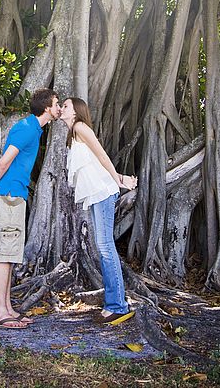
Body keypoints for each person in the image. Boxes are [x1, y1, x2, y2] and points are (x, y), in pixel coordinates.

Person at [0, 88, 61, 329]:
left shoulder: (35, 129)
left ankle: (8, 307)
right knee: (3, 252)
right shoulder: (25, 128)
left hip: (15, 194)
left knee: (10, 253)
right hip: (8, 194)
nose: (59, 107)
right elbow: (4, 161)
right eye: (57, 104)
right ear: (46, 108)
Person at [60, 97, 137, 324]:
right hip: (98, 195)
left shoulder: (80, 127)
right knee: (103, 247)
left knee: (105, 248)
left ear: (76, 111)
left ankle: (118, 306)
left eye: (65, 105)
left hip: (104, 192)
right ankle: (114, 303)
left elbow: (101, 154)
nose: (62, 108)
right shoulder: (72, 133)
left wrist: (119, 179)